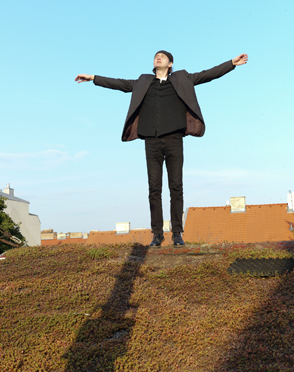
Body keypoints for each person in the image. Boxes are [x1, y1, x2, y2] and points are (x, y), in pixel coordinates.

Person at [75, 51, 248, 247]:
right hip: (152, 140)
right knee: (154, 189)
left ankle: (177, 234)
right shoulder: (143, 82)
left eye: (162, 56)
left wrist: (231, 64)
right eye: (156, 56)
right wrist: (93, 78)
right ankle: (157, 234)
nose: (158, 58)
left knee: (176, 187)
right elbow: (120, 84)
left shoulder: (182, 79)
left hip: (174, 139)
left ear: (170, 63)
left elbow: (207, 74)